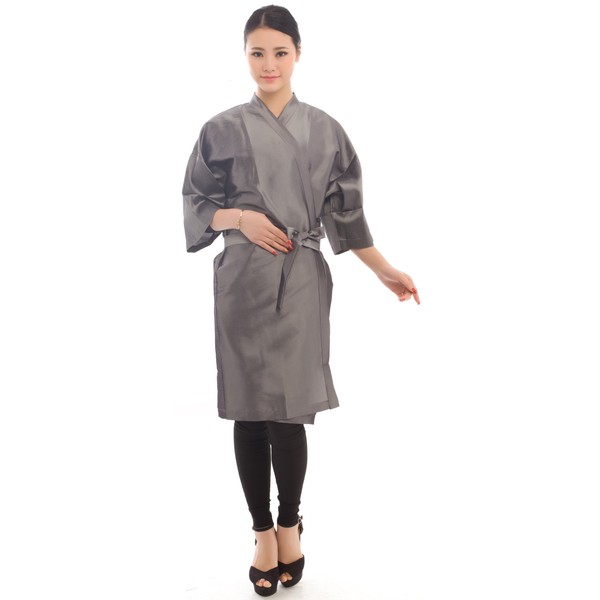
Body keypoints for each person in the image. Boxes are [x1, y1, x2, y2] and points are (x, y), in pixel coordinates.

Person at [182, 4, 420, 595]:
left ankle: (290, 524)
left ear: (297, 54)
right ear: (245, 55)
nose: (269, 64)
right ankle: (261, 532)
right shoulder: (220, 129)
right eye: (257, 53)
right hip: (242, 281)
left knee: (288, 413)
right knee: (248, 410)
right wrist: (240, 218)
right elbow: (196, 201)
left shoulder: (326, 130)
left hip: (302, 282)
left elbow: (348, 216)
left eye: (280, 52)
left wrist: (384, 270)